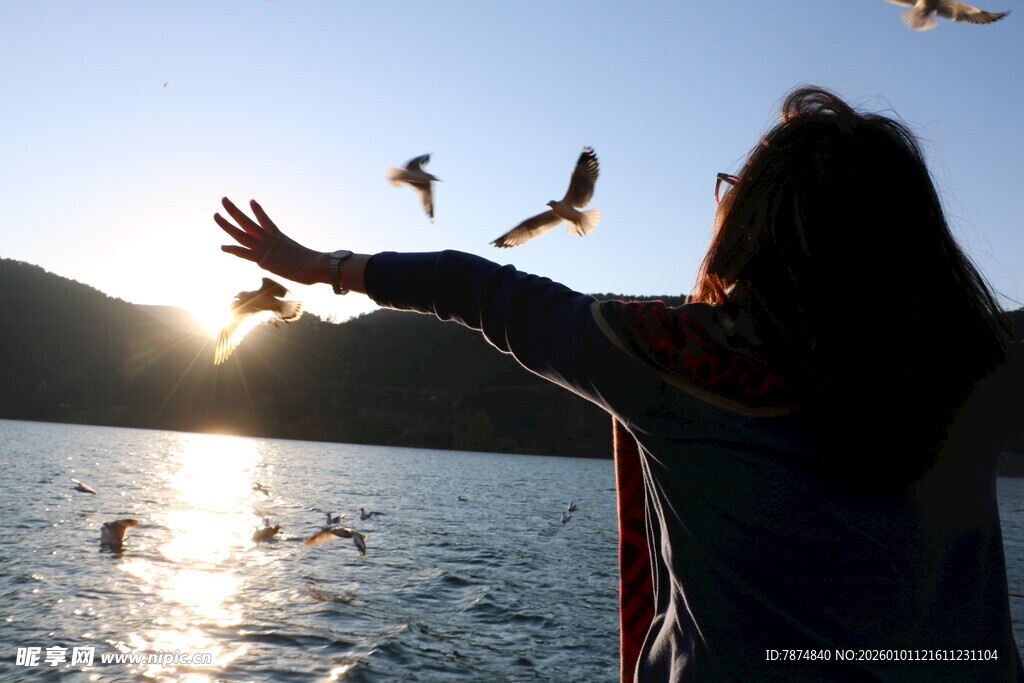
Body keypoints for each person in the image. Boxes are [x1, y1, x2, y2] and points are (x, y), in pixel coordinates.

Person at [214, 86, 1023, 681]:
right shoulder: (977, 368)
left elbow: (486, 291)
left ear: (754, 224)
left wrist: (326, 268)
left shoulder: (675, 356)